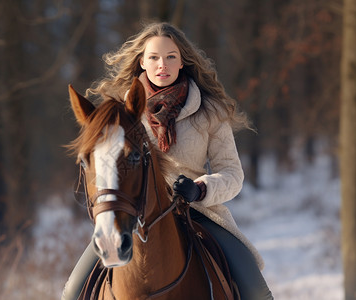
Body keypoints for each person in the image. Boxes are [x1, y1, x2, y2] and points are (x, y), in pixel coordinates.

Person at [62, 22, 273, 300]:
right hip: (131, 214)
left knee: (256, 290)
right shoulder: (118, 116)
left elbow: (232, 174)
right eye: (154, 57)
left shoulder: (211, 111)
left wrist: (200, 189)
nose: (163, 64)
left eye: (171, 56)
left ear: (183, 61)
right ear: (142, 62)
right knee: (71, 292)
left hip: (198, 211)